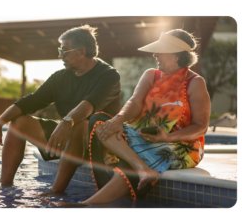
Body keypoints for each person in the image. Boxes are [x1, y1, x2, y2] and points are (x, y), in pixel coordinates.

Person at [0, 25, 122, 194]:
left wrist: (67, 122)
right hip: (69, 137)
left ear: (82, 51)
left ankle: (55, 192)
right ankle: (5, 187)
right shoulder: (60, 77)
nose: (60, 55)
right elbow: (31, 101)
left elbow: (88, 105)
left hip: (100, 141)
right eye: (60, 50)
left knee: (80, 124)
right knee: (20, 122)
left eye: (64, 50)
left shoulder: (109, 75)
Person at [82, 29, 211, 205]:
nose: (155, 54)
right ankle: (142, 169)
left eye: (161, 51)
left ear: (176, 55)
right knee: (99, 122)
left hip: (180, 145)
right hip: (140, 135)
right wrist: (118, 120)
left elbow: (200, 126)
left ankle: (86, 206)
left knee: (140, 155)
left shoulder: (195, 82)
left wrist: (168, 137)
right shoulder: (151, 75)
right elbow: (134, 102)